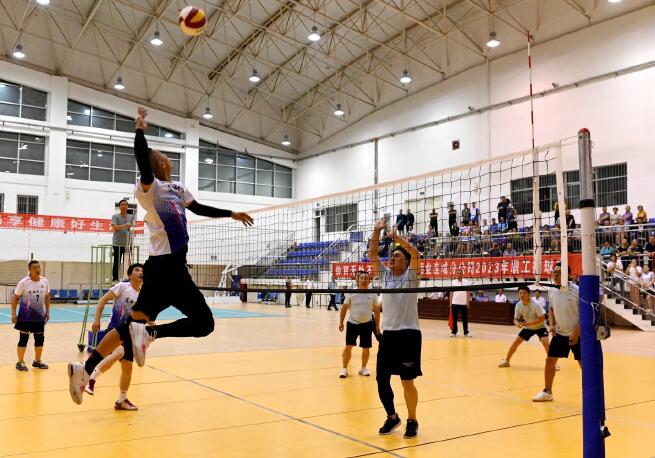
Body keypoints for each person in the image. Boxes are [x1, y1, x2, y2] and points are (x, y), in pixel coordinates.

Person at [67, 107, 254, 405]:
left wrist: (231, 213)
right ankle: (149, 335)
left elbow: (199, 208)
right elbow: (143, 159)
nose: (166, 158)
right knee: (202, 323)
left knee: (134, 325)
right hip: (168, 266)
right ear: (160, 164)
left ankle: (86, 368)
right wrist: (140, 129)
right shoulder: (150, 188)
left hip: (164, 269)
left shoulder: (178, 188)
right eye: (162, 156)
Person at [369, 218, 422, 439]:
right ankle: (392, 417)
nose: (392, 258)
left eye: (397, 256)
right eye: (391, 256)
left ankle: (412, 420)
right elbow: (373, 255)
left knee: (406, 381)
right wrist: (376, 232)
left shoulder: (412, 276)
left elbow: (416, 254)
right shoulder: (385, 276)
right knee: (381, 379)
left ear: (407, 262)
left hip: (409, 334)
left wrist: (398, 239)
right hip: (389, 335)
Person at [85, 263, 144, 410]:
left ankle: (121, 400)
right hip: (115, 330)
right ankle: (90, 379)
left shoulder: (143, 295)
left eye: (142, 271)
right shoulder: (122, 286)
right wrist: (97, 319)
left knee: (128, 368)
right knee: (119, 352)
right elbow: (103, 300)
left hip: (131, 335)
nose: (140, 272)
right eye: (137, 270)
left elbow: (144, 317)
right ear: (130, 275)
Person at [533, 266, 581, 402]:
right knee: (550, 361)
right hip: (560, 333)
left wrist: (576, 332)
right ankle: (547, 392)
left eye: (558, 273)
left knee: (584, 364)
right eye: (554, 272)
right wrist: (552, 324)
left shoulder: (577, 290)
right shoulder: (552, 290)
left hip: (578, 334)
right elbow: (551, 309)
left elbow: (585, 314)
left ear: (567, 275)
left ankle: (591, 393)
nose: (555, 275)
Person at [338, 271, 381, 378]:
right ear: (358, 280)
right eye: (362, 278)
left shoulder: (373, 293)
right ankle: (344, 369)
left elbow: (376, 310)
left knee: (366, 347)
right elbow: (344, 308)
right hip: (353, 323)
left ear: (369, 280)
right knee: (349, 346)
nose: (364, 280)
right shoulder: (352, 292)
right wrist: (341, 322)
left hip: (367, 324)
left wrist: (377, 325)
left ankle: (363, 368)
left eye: (366, 278)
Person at [11, 260, 50, 372]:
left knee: (40, 339)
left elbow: (47, 296)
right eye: (34, 268)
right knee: (23, 339)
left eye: (38, 267)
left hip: (39, 316)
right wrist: (13, 313)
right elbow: (15, 298)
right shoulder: (23, 282)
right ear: (29, 270)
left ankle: (37, 361)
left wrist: (47, 311)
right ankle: (20, 362)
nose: (37, 269)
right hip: (25, 317)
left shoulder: (44, 281)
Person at [498, 286, 551, 368]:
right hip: (528, 328)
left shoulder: (536, 304)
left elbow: (542, 319)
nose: (522, 295)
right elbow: (515, 319)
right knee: (515, 342)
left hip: (541, 327)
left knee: (545, 342)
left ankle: (553, 363)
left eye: (524, 293)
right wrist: (517, 324)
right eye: (520, 293)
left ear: (528, 294)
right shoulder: (518, 305)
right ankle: (507, 361)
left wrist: (528, 324)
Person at [111, 199, 135, 282]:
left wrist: (127, 226)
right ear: (119, 207)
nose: (124, 206)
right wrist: (125, 225)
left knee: (127, 262)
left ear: (127, 206)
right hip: (117, 243)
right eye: (122, 205)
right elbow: (115, 227)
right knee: (117, 262)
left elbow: (132, 226)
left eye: (125, 205)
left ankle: (127, 278)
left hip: (127, 243)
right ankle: (115, 279)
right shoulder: (115, 216)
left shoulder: (131, 216)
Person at [450, 269, 472, 337]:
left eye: (460, 273)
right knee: (454, 319)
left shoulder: (466, 282)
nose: (458, 274)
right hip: (455, 303)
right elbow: (451, 293)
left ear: (462, 274)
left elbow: (468, 292)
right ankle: (454, 332)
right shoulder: (453, 282)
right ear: (455, 274)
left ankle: (466, 332)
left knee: (465, 319)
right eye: (457, 273)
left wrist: (468, 302)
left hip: (464, 303)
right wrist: (450, 303)